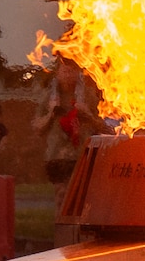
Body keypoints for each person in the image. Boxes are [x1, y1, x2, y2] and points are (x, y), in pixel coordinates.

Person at [36, 55, 103, 208]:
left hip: (80, 154)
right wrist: (51, 114)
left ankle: (76, 228)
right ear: (58, 73)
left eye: (71, 71)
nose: (68, 75)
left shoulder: (87, 96)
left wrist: (88, 115)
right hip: (57, 155)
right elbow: (38, 128)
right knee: (61, 195)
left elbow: (104, 127)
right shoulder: (49, 97)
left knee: (80, 198)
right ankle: (60, 228)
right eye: (64, 71)